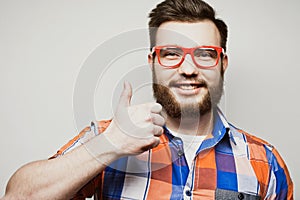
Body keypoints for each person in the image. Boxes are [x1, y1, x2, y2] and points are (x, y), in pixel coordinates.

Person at [2, 0, 293, 199]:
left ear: (222, 64)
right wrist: (109, 146)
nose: (188, 69)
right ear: (152, 63)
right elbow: (16, 195)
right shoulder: (107, 137)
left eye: (205, 55)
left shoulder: (265, 161)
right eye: (171, 54)